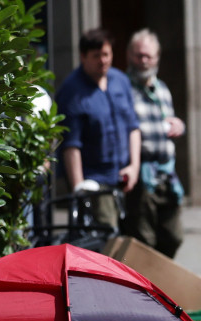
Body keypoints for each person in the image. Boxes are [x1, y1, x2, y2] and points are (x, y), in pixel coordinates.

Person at [56, 28, 141, 230]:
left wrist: (134, 167)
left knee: (138, 235)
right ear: (83, 57)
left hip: (125, 175)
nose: (103, 61)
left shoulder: (120, 81)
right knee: (106, 234)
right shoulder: (72, 90)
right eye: (96, 56)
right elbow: (71, 145)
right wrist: (79, 189)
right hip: (95, 180)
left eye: (106, 54)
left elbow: (133, 127)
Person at [124, 28, 186, 258]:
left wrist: (179, 125)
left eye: (148, 56)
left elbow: (168, 122)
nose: (143, 61)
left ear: (157, 58)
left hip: (166, 174)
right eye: (139, 55)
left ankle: (158, 276)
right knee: (144, 240)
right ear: (129, 55)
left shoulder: (162, 89)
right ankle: (145, 278)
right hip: (140, 176)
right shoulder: (123, 88)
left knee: (173, 236)